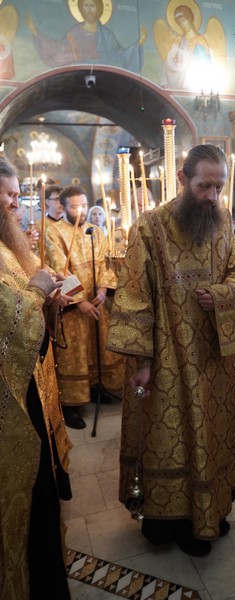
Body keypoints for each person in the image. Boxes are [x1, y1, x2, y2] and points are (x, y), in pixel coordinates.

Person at [106, 144, 235, 557]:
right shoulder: (149, 228)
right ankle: (165, 520)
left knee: (210, 433)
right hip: (166, 359)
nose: (212, 195)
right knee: (168, 437)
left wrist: (224, 294)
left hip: (211, 357)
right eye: (204, 185)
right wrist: (141, 361)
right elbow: (134, 295)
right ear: (182, 180)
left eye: (218, 186)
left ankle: (208, 513)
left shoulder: (222, 223)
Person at [0, 156, 73, 599]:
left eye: (16, 194)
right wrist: (37, 292)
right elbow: (7, 324)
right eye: (8, 195)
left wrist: (46, 297)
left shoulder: (7, 247)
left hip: (26, 388)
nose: (15, 203)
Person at [44, 185, 123, 429]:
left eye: (84, 205)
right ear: (63, 206)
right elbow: (60, 268)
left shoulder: (95, 231)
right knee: (75, 354)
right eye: (75, 206)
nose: (81, 210)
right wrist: (81, 301)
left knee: (96, 347)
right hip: (72, 309)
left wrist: (102, 290)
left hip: (97, 303)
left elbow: (106, 263)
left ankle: (95, 387)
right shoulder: (53, 232)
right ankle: (70, 405)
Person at [26, 0, 146, 70]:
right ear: (81, 9)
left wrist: (139, 43)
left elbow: (119, 58)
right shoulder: (75, 32)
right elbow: (59, 50)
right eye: (86, 5)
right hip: (76, 75)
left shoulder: (106, 35)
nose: (88, 10)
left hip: (104, 76)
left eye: (92, 6)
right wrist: (36, 32)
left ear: (98, 10)